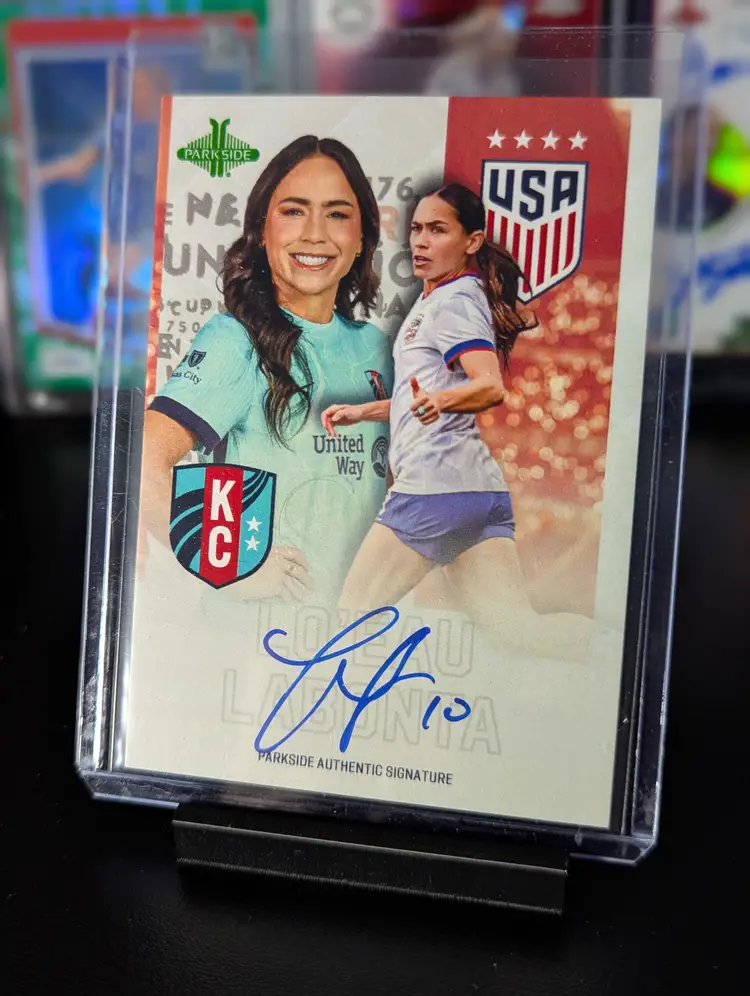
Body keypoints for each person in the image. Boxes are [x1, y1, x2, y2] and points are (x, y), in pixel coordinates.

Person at [321, 183, 595, 663]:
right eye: (417, 230)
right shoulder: (439, 298)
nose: (421, 241)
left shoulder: (454, 302)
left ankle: (344, 708)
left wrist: (442, 401)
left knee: (349, 618)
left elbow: (489, 386)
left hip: (433, 491)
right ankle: (610, 649)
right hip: (477, 493)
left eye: (437, 230)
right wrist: (363, 412)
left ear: (472, 241)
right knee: (518, 631)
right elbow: (422, 394)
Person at [141, 135, 392, 605]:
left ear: (362, 239)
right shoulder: (236, 340)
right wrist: (231, 563)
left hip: (350, 632)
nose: (315, 233)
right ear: (262, 231)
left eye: (337, 214)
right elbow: (143, 463)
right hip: (252, 636)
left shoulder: (378, 349)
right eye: (294, 211)